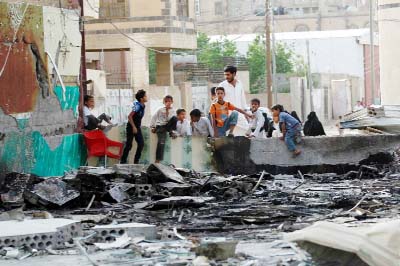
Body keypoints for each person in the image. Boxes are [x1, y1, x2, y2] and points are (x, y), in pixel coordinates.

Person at [218, 65, 248, 132]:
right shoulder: (222, 85)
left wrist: (246, 112)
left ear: (234, 74)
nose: (226, 77)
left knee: (247, 132)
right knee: (228, 137)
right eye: (225, 75)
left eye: (228, 75)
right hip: (227, 116)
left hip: (240, 115)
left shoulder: (239, 84)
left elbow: (243, 99)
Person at [120, 90, 147, 164]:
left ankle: (136, 161)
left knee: (141, 144)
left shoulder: (143, 105)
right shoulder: (137, 106)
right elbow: (130, 116)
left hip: (137, 127)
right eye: (145, 96)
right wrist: (133, 127)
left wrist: (136, 127)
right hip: (131, 127)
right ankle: (123, 161)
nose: (146, 97)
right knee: (129, 145)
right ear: (141, 98)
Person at [150, 95, 178, 163]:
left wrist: (168, 112)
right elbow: (154, 117)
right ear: (163, 102)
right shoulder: (160, 109)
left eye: (169, 101)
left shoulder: (173, 110)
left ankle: (172, 132)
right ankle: (158, 160)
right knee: (161, 142)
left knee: (175, 118)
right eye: (166, 101)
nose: (167, 102)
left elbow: (171, 121)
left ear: (172, 102)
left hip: (167, 127)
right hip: (160, 127)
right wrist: (152, 127)